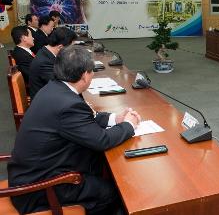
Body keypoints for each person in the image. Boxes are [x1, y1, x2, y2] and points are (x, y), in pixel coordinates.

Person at [8, 46, 141, 215]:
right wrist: (129, 125)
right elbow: (102, 141)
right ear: (85, 75)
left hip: (33, 172)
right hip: (39, 188)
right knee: (115, 193)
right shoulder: (68, 103)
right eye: (92, 72)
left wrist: (116, 118)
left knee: (104, 168)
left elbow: (85, 120)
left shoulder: (55, 88)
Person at [29, 27, 78, 99]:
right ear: (60, 47)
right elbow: (61, 85)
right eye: (71, 48)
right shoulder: (44, 62)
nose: (72, 51)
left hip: (52, 95)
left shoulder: (46, 52)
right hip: (46, 102)